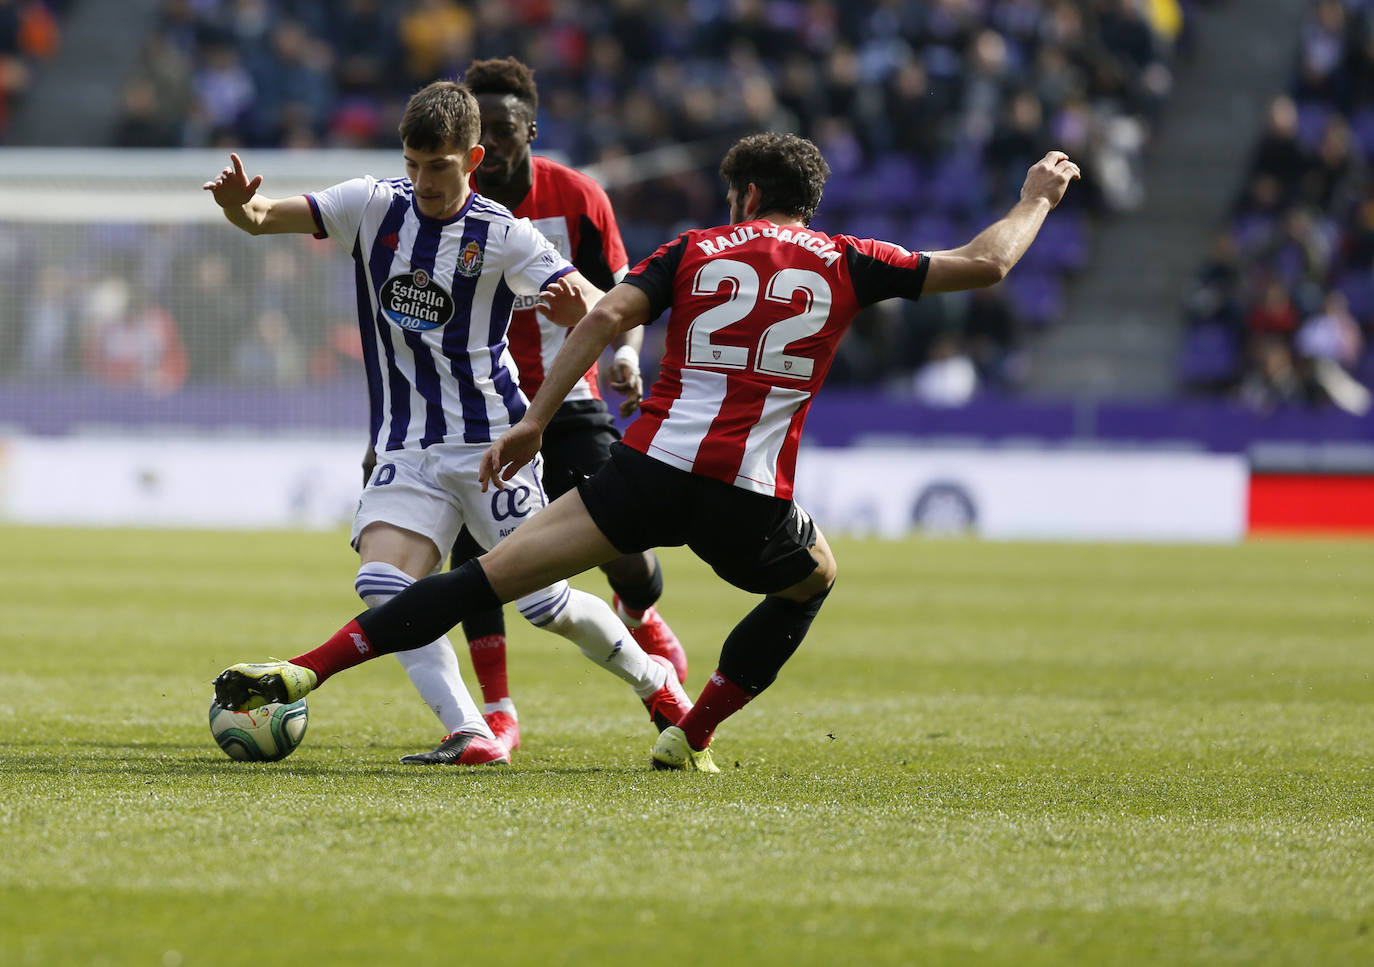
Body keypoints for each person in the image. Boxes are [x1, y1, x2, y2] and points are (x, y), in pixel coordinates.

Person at [212, 134, 1079, 773]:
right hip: (749, 493)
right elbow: (985, 263)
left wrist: (535, 420)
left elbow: (599, 316)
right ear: (806, 203)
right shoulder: (851, 260)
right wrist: (1036, 194)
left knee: (485, 578)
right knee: (812, 579)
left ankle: (303, 669)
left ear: (742, 194)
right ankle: (692, 732)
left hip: (645, 475)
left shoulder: (693, 248)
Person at [202, 80, 691, 766]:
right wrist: (237, 206)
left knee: (546, 606)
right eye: (413, 162)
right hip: (407, 445)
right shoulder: (370, 205)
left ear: (474, 157)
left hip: (493, 443)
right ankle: (470, 730)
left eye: (440, 166)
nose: (424, 180)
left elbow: (599, 306)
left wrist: (589, 320)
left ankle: (657, 680)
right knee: (381, 583)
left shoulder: (502, 235)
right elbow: (260, 216)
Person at [370, 57, 687, 760]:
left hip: (565, 397)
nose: (500, 147)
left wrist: (626, 353)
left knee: (615, 532)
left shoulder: (575, 197)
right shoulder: (436, 208)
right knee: (475, 557)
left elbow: (620, 296)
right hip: (473, 413)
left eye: (509, 132)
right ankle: (496, 713)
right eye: (489, 130)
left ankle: (640, 609)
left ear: (526, 132)